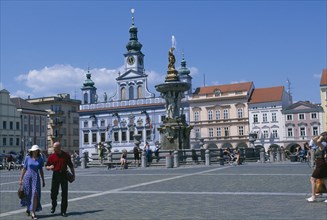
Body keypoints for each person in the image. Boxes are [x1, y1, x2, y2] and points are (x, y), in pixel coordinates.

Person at [46, 142, 75, 217]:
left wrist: (74, 175)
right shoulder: (51, 156)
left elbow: (71, 166)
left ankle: (63, 211)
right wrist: (49, 167)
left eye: (55, 147)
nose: (53, 149)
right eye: (53, 147)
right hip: (55, 175)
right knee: (53, 193)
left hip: (64, 175)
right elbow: (46, 166)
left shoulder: (66, 155)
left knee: (64, 194)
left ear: (59, 147)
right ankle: (54, 204)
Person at [19, 145, 45, 220]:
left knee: (35, 194)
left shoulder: (40, 159)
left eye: (36, 150)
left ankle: (33, 212)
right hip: (27, 177)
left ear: (38, 151)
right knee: (28, 194)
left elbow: (41, 170)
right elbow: (24, 169)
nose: (35, 151)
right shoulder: (27, 158)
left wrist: (43, 180)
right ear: (31, 151)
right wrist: (21, 179)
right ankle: (28, 208)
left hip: (36, 178)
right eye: (33, 150)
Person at [306, 135, 327, 202]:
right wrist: (320, 136)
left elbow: (316, 140)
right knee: (324, 180)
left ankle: (313, 197)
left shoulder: (322, 146)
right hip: (320, 163)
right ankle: (315, 195)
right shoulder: (320, 145)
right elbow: (314, 139)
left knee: (312, 179)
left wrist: (320, 137)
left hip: (321, 164)